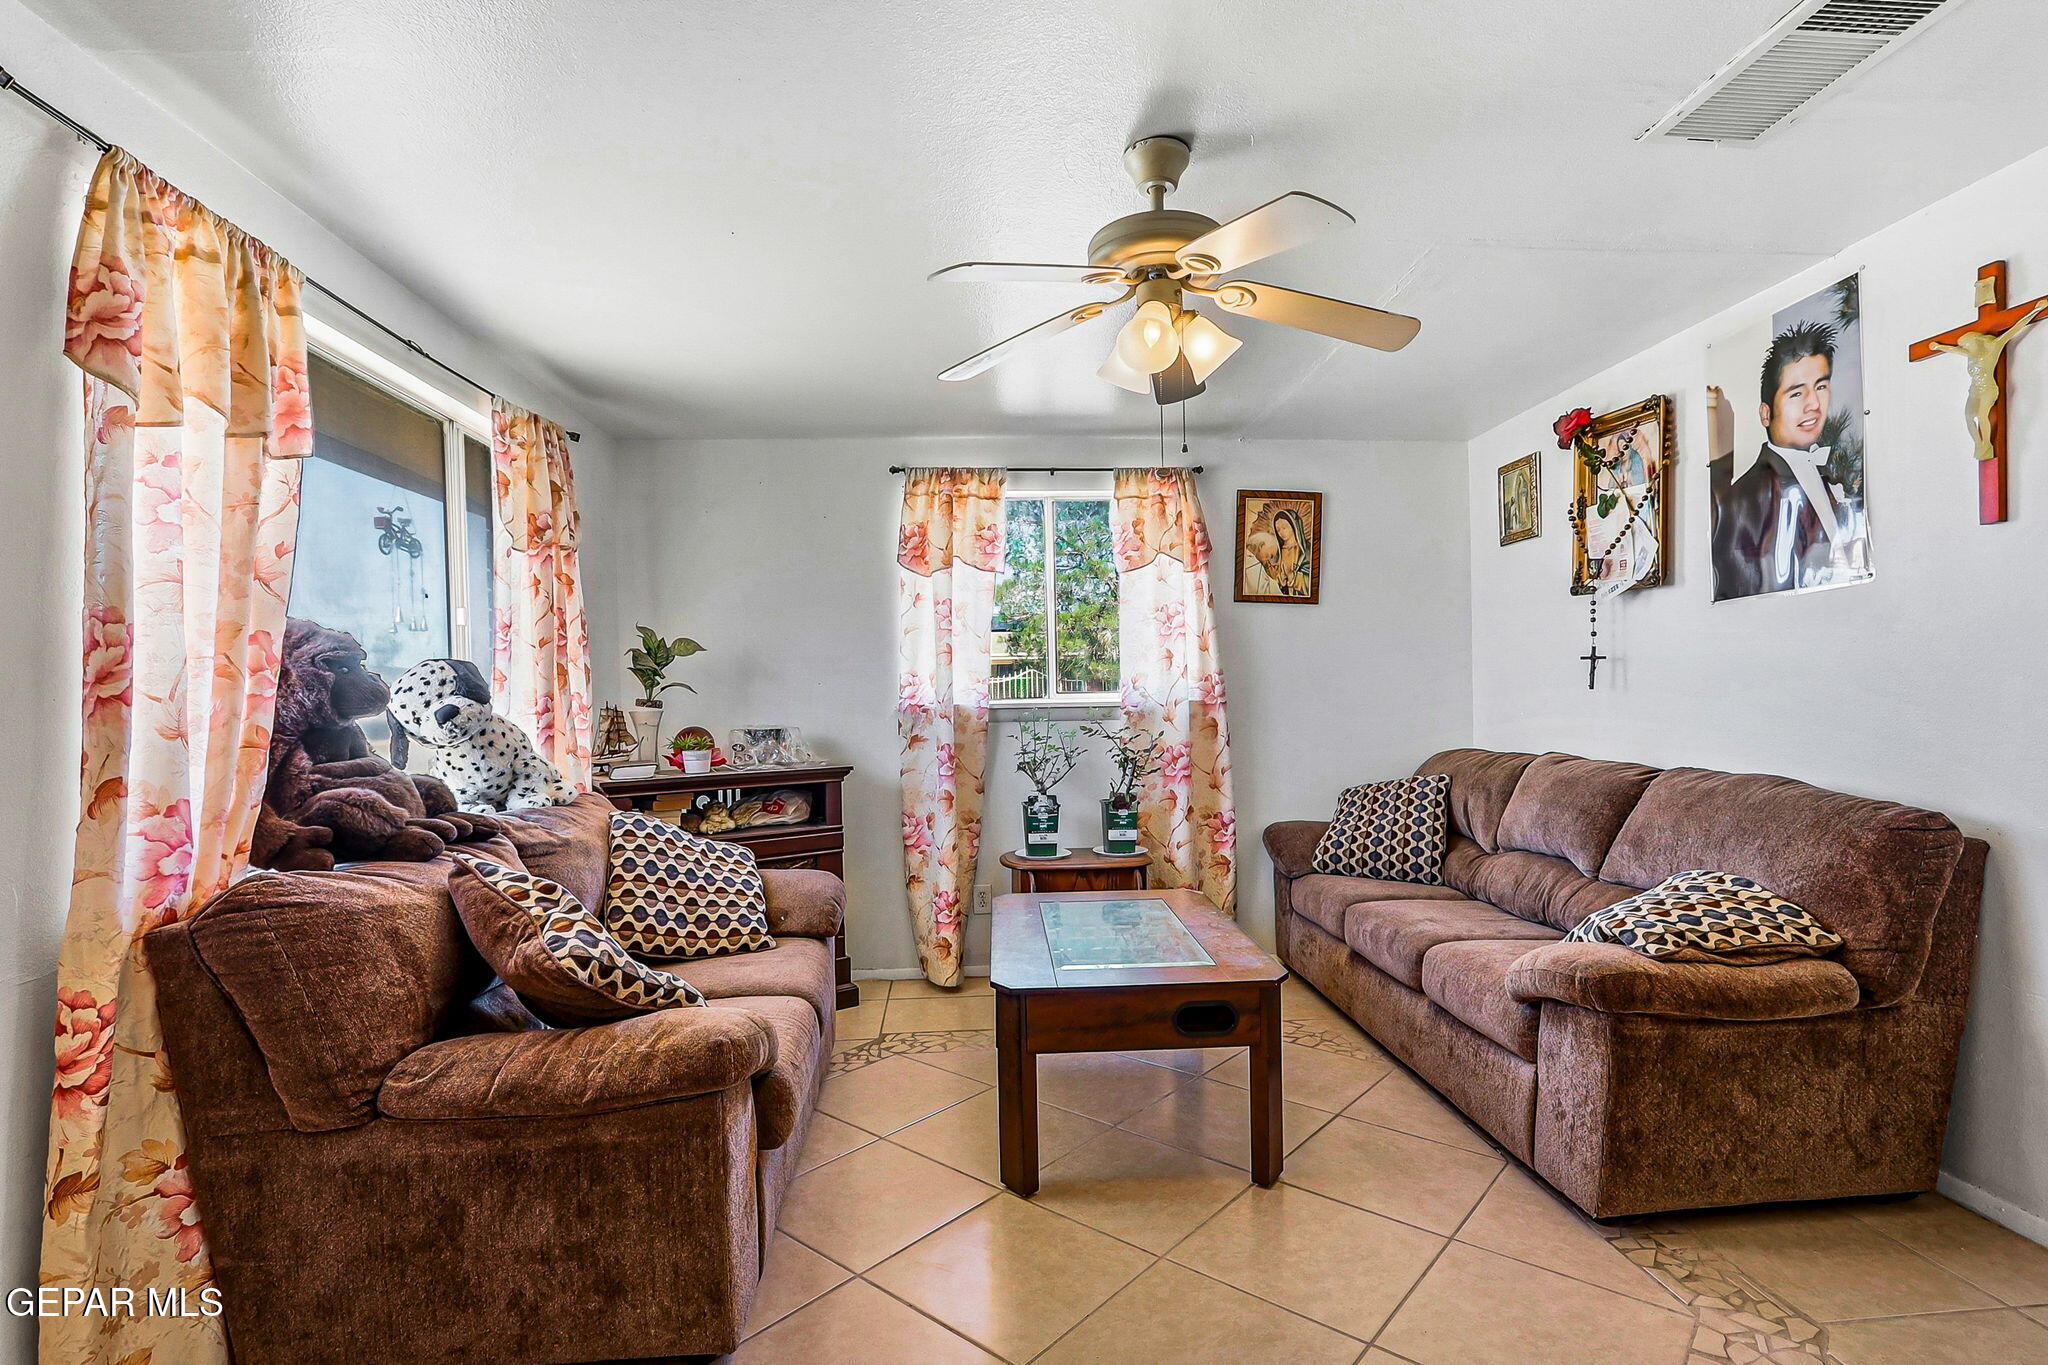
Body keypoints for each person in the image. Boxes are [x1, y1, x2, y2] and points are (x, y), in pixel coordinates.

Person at [1709, 321, 1866, 599]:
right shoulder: (1743, 497)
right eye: (1796, 393)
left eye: (1820, 387)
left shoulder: (1831, 474)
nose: (1814, 405)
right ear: (1765, 414)